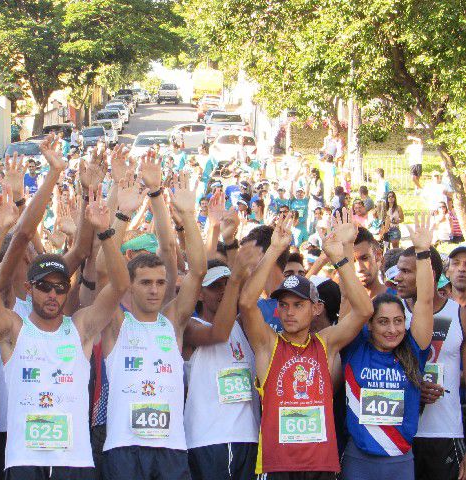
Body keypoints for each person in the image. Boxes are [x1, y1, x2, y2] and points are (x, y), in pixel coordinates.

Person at [0, 186, 129, 479]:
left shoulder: (80, 328)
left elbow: (120, 287)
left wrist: (106, 233)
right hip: (24, 462)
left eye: (60, 288)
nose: (52, 295)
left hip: (76, 463)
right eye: (44, 286)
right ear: (30, 288)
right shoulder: (13, 330)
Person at [239, 212, 373, 478]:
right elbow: (246, 304)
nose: (289, 312)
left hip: (321, 466)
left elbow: (364, 310)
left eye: (298, 305)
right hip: (277, 466)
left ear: (316, 309)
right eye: (284, 305)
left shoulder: (326, 343)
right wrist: (275, 249)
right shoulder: (268, 344)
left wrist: (339, 258)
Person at [100, 171, 207, 480]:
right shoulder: (117, 324)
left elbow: (198, 270)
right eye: (145, 282)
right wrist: (122, 215)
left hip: (171, 448)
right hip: (123, 448)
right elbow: (105, 273)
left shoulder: (172, 323)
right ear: (130, 287)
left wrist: (188, 215)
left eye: (161, 283)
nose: (155, 289)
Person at [340, 214, 435, 479]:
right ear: (369, 324)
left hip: (400, 461)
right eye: (383, 322)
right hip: (358, 459)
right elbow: (347, 295)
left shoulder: (413, 350)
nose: (392, 329)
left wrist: (423, 251)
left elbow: (425, 302)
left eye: (398, 322)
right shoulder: (354, 346)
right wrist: (346, 247)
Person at [183, 248, 261, 480]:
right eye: (215, 286)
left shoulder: (244, 325)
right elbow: (219, 333)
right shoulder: (189, 326)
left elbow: (249, 300)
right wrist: (236, 279)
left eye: (227, 284)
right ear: (199, 294)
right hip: (209, 439)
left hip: (248, 436)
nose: (224, 291)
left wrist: (274, 250)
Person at [394, 240, 466, 479]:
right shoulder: (392, 315)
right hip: (399, 433)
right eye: (398, 270)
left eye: (406, 271)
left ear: (428, 273)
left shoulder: (459, 313)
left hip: (445, 434)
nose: (398, 277)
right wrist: (412, 386)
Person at [353, 227, 389, 298]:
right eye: (351, 261)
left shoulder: (399, 301)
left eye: (364, 258)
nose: (359, 268)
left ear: (378, 255)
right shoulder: (341, 302)